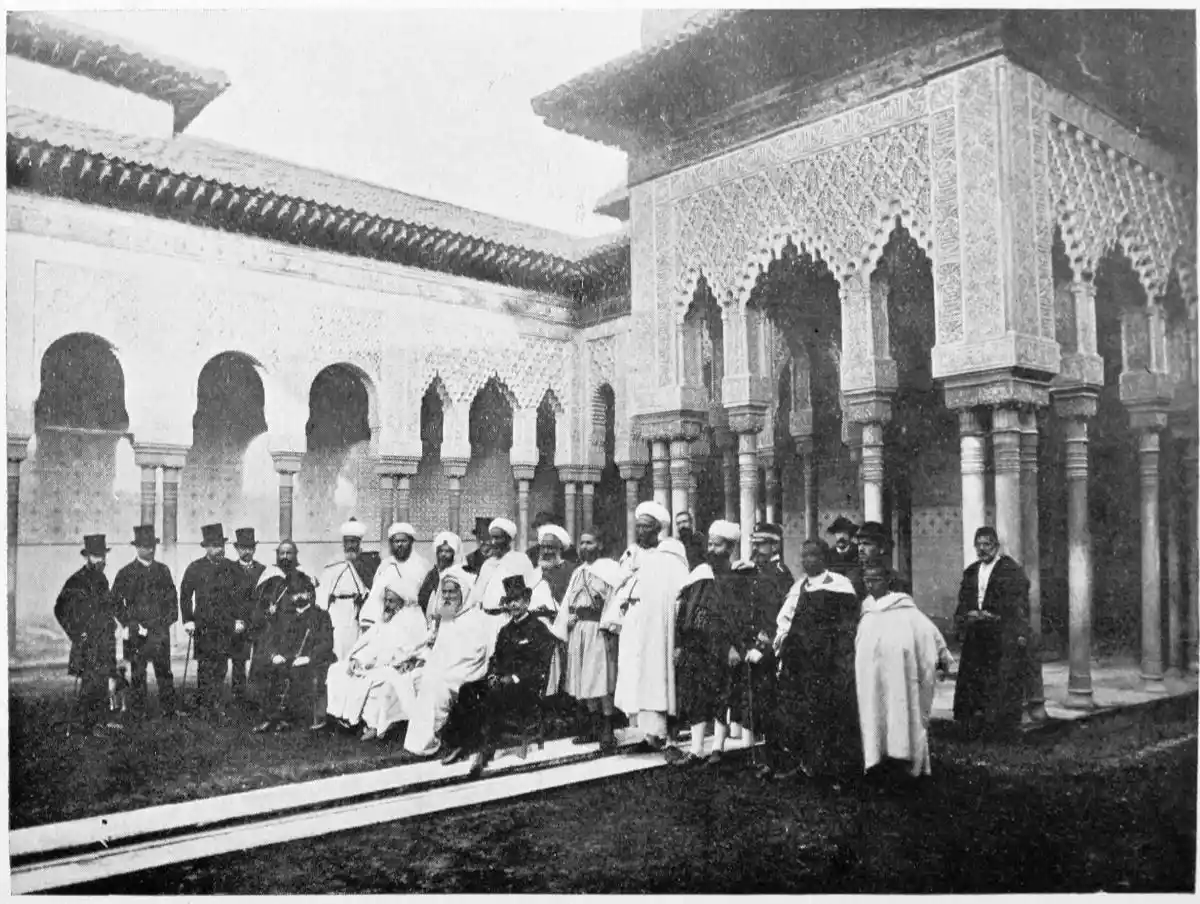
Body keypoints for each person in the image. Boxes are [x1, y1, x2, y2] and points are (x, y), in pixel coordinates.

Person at [440, 575, 559, 777]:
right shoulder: (506, 630)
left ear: (527, 601)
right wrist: (493, 674)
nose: (513, 605)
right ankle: (460, 744)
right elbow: (496, 658)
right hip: (502, 681)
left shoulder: (538, 629)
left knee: (494, 697)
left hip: (527, 688)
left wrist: (513, 678)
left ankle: (486, 750)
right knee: (468, 689)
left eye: (517, 600)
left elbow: (539, 666)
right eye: (510, 601)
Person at [766, 539, 861, 784]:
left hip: (828, 663)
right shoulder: (798, 587)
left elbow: (848, 626)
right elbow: (785, 620)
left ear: (824, 558)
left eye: (812, 555)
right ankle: (803, 764)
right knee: (798, 712)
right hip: (799, 662)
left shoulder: (840, 585)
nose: (806, 560)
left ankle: (829, 768)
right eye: (804, 555)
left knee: (827, 713)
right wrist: (782, 640)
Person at [856, 563, 954, 786]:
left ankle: (903, 763)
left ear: (887, 581)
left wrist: (943, 655)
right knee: (875, 716)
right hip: (872, 678)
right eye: (867, 580)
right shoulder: (867, 611)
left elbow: (929, 631)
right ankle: (877, 763)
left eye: (876, 580)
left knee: (901, 716)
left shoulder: (905, 609)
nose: (870, 585)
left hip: (900, 678)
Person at [401, 567, 508, 758]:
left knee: (434, 686)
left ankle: (430, 739)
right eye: (445, 592)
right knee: (414, 677)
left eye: (452, 592)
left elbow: (474, 656)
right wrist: (421, 659)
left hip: (466, 674)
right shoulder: (448, 617)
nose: (448, 596)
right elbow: (437, 648)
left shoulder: (475, 619)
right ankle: (424, 736)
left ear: (463, 593)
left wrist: (442, 669)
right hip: (444, 669)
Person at [613, 501, 690, 758]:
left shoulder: (671, 557)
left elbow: (679, 595)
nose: (640, 531)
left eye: (646, 527)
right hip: (637, 630)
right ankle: (649, 735)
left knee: (663, 681)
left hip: (661, 632)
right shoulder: (632, 555)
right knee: (639, 681)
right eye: (638, 526)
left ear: (658, 529)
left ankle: (671, 739)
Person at [673, 520, 752, 767]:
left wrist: (732, 647)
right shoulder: (699, 574)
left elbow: (738, 617)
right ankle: (696, 749)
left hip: (722, 646)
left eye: (717, 545)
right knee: (695, 695)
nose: (711, 549)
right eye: (710, 544)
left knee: (721, 695)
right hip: (696, 644)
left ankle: (718, 747)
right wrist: (679, 643)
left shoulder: (737, 577)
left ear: (730, 548)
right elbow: (684, 610)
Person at [326, 571, 428, 739]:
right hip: (376, 661)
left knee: (371, 679)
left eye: (391, 601)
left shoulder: (414, 618)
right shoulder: (386, 618)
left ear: (401, 601)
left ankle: (365, 723)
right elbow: (372, 642)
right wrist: (358, 659)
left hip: (396, 664)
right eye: (385, 600)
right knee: (337, 670)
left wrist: (408, 660)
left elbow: (417, 647)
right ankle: (341, 716)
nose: (386, 604)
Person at [953, 526, 1031, 737]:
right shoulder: (971, 571)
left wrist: (997, 616)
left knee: (998, 679)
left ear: (996, 546)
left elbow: (1018, 603)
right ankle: (973, 724)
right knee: (973, 679)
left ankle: (998, 726)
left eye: (987, 544)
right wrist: (968, 615)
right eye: (978, 545)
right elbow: (963, 601)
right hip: (975, 634)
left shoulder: (1010, 570)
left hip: (1000, 635)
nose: (982, 549)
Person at [554, 531, 623, 749]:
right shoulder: (578, 572)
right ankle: (594, 727)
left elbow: (616, 602)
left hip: (599, 630)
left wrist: (610, 626)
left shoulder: (611, 569)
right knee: (584, 680)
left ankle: (608, 729)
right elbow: (568, 602)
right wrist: (566, 622)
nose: (584, 547)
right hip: (579, 631)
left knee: (601, 680)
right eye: (582, 543)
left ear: (599, 545)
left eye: (589, 542)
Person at [55, 534, 122, 734]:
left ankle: (100, 722)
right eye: (96, 556)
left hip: (104, 640)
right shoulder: (76, 581)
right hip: (88, 642)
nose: (101, 560)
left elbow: (106, 607)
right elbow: (60, 609)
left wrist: (114, 623)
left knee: (103, 681)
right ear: (87, 557)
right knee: (90, 683)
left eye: (103, 556)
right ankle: (89, 725)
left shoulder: (102, 579)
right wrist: (77, 633)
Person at [254, 571, 335, 733]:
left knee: (300, 673)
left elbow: (327, 643)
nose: (299, 597)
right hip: (287, 658)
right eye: (294, 593)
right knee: (265, 669)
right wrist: (274, 655)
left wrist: (309, 657)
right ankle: (270, 717)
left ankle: (293, 718)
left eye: (303, 592)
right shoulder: (285, 616)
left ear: (310, 594)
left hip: (312, 659)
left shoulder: (321, 615)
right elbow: (273, 639)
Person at [111, 525, 178, 718]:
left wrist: (164, 623)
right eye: (145, 546)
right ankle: (138, 710)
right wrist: (129, 622)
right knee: (138, 672)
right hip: (136, 633)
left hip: (159, 631)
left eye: (152, 546)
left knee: (164, 672)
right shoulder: (126, 573)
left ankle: (169, 709)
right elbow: (114, 602)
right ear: (137, 547)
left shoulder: (163, 571)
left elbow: (172, 601)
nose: (150, 549)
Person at [180, 523, 243, 720]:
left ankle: (216, 706)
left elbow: (241, 597)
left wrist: (239, 619)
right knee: (205, 667)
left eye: (221, 545)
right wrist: (188, 620)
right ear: (206, 547)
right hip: (203, 626)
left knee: (221, 667)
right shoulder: (195, 568)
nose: (219, 549)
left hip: (225, 626)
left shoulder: (232, 568)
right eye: (214, 546)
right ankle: (204, 706)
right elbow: (185, 595)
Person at [249, 541, 306, 707]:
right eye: (282, 553)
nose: (285, 557)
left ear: (296, 555)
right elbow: (258, 608)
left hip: (294, 634)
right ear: (277, 555)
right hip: (271, 634)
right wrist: (268, 611)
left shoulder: (302, 578)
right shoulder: (269, 578)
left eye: (289, 553)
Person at [319, 519, 372, 662]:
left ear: (359, 543)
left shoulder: (365, 565)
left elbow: (369, 591)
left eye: (354, 542)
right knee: (336, 647)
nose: (351, 546)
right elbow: (323, 594)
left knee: (353, 648)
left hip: (354, 613)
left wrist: (362, 599)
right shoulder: (333, 564)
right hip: (336, 612)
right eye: (348, 542)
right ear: (343, 543)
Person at [532, 523, 575, 698]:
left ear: (560, 549)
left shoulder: (571, 570)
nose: (546, 551)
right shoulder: (535, 572)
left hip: (560, 629)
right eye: (543, 547)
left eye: (551, 547)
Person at [360, 523, 429, 632]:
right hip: (391, 620)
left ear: (411, 542)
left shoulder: (422, 566)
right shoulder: (386, 566)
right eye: (396, 541)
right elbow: (376, 596)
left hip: (415, 619)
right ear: (391, 544)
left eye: (404, 541)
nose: (400, 544)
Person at [229, 527, 265, 707]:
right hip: (239, 622)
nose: (247, 551)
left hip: (258, 623)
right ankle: (239, 698)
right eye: (243, 548)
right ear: (237, 549)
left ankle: (257, 697)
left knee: (259, 660)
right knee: (239, 661)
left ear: (255, 549)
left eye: (250, 547)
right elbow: (226, 598)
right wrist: (233, 620)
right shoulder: (229, 570)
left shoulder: (262, 570)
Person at [466, 518, 534, 612]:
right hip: (485, 616)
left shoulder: (520, 560)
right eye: (492, 538)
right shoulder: (487, 564)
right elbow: (477, 596)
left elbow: (530, 591)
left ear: (508, 539)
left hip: (509, 616)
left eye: (497, 538)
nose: (493, 542)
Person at [856, 521, 912, 596]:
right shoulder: (854, 578)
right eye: (859, 544)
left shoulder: (897, 581)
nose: (860, 549)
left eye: (867, 544)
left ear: (881, 548)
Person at [418, 532, 462, 619]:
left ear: (454, 553)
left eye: (447, 551)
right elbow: (422, 599)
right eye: (441, 551)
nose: (443, 554)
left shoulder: (461, 574)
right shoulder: (433, 574)